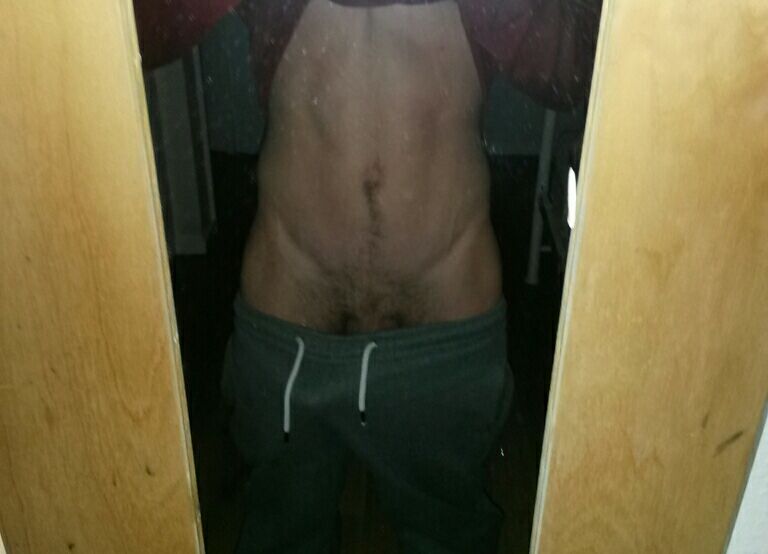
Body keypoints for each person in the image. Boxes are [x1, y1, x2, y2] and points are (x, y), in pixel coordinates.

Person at [134, 1, 601, 552]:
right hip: (289, 323)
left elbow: (577, 69)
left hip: (443, 333)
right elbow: (129, 36)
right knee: (280, 537)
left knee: (450, 537)